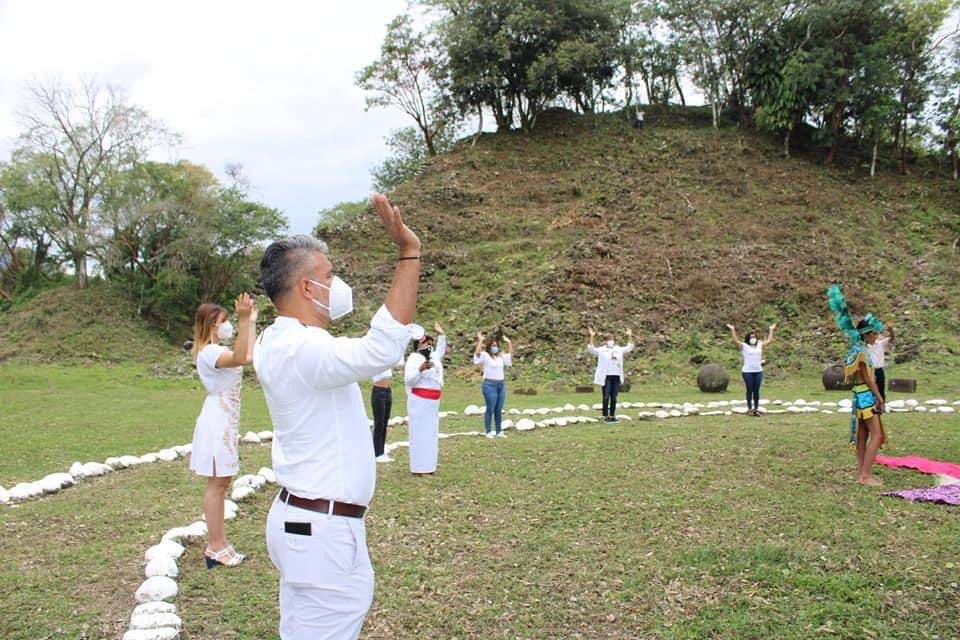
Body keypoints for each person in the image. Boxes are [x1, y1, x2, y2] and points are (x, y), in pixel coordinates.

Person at [253, 193, 422, 640]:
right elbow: (381, 349)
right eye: (329, 275)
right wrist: (408, 253)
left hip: (304, 521)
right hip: (321, 529)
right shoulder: (301, 348)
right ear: (308, 289)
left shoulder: (278, 339)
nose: (338, 283)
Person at [189, 293, 257, 568]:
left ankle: (219, 543)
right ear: (212, 324)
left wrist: (250, 322)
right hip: (217, 423)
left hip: (225, 421)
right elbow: (241, 357)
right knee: (217, 485)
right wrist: (244, 320)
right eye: (224, 320)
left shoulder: (216, 350)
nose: (228, 325)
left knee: (222, 482)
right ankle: (215, 546)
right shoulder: (210, 352)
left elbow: (248, 355)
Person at [827, 285, 887, 486]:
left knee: (862, 435)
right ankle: (866, 475)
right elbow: (869, 379)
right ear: (867, 334)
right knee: (877, 436)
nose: (876, 337)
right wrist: (879, 397)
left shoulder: (855, 350)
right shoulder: (862, 353)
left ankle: (861, 473)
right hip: (867, 396)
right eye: (874, 334)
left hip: (858, 394)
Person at [404, 321, 446, 475]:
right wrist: (420, 370)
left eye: (430, 343)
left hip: (433, 401)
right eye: (426, 343)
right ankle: (418, 467)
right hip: (419, 401)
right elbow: (409, 380)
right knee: (419, 433)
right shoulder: (414, 358)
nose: (429, 345)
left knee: (431, 434)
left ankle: (429, 466)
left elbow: (441, 350)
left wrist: (441, 334)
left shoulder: (434, 357)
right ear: (418, 345)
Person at [726, 323, 777, 416]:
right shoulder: (744, 346)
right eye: (751, 337)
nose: (753, 338)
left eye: (754, 337)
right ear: (748, 338)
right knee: (750, 390)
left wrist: (771, 330)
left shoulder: (760, 345)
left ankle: (756, 409)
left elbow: (769, 340)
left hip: (758, 371)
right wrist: (732, 330)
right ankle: (750, 409)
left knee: (756, 391)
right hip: (747, 372)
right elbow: (735, 340)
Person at [587, 327, 634, 423]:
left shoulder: (618, 349)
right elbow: (591, 349)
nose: (611, 341)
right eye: (609, 340)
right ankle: (605, 415)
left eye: (612, 339)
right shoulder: (601, 350)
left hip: (616, 375)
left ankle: (612, 415)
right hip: (606, 376)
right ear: (605, 341)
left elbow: (629, 347)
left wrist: (629, 336)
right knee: (606, 396)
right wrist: (592, 337)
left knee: (614, 397)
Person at [473, 331, 514, 438]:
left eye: (496, 346)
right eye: (493, 346)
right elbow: (477, 353)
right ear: (489, 347)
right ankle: (488, 431)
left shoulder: (500, 357)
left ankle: (499, 431)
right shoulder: (485, 355)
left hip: (500, 385)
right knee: (490, 408)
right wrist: (480, 340)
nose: (495, 347)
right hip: (489, 385)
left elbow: (511, 356)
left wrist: (509, 342)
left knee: (498, 409)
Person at [370, 362, 401, 463]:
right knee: (379, 424)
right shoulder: (377, 360)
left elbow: (399, 362)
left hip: (387, 391)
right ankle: (377, 453)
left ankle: (381, 452)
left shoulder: (387, 360)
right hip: (378, 391)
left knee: (384, 423)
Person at [866, 322, 895, 401]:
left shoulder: (880, 344)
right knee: (870, 389)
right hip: (869, 370)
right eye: (871, 335)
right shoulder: (864, 346)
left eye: (874, 334)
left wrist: (890, 330)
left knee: (880, 388)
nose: (873, 336)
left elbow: (892, 338)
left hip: (879, 370)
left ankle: (881, 404)